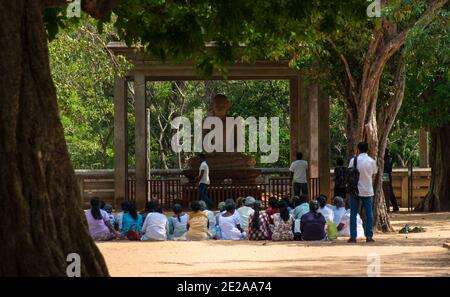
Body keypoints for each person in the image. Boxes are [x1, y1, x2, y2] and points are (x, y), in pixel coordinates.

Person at [348, 141, 377, 243]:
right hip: (367, 190)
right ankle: (369, 235)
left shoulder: (353, 160)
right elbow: (374, 173)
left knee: (353, 214)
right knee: (369, 214)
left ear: (358, 149)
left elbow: (350, 173)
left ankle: (353, 236)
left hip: (355, 190)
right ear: (367, 149)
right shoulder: (371, 161)